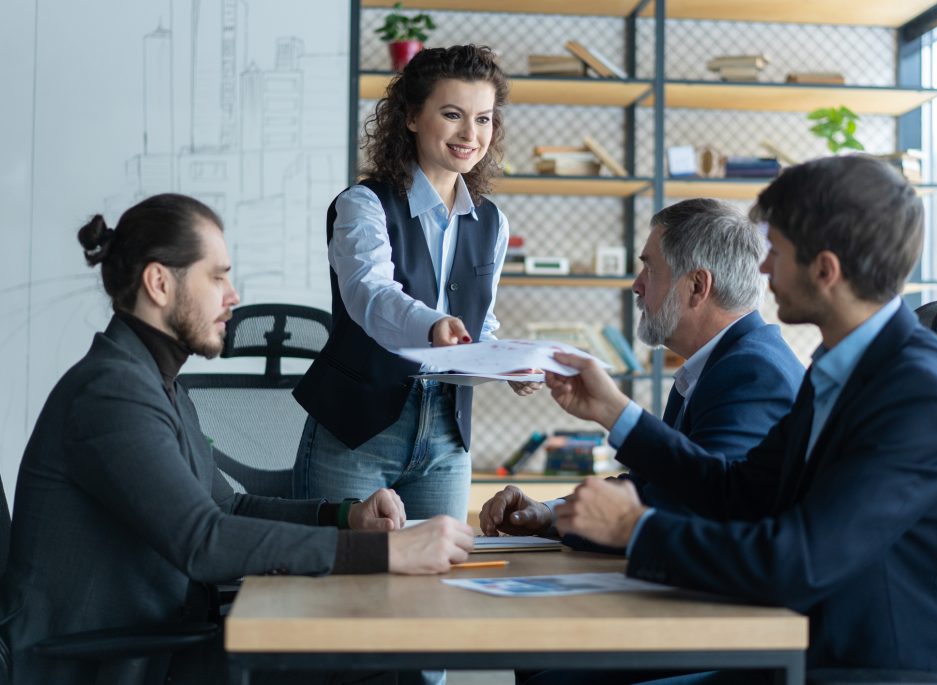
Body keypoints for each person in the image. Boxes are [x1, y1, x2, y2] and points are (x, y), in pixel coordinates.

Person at [539, 156, 937, 684]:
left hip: (880, 671)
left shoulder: (921, 391)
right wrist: (613, 412)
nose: (761, 270)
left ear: (825, 271)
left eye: (775, 252)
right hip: (811, 653)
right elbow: (739, 489)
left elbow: (800, 561)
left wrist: (635, 528)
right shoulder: (838, 367)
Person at [0, 194, 475, 685]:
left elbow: (227, 509)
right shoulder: (111, 393)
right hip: (102, 663)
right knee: (368, 664)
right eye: (217, 276)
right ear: (159, 282)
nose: (233, 295)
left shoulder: (155, 383)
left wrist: (345, 517)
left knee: (367, 657)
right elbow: (204, 541)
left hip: (158, 645)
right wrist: (390, 554)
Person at [292, 44, 538, 525]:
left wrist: (508, 366)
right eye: (452, 114)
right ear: (410, 117)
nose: (471, 134)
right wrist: (434, 326)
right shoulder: (363, 205)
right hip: (357, 432)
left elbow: (479, 324)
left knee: (436, 589)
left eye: (485, 119)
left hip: (447, 438)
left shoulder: (492, 222)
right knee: (341, 586)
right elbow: (370, 295)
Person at [479, 198, 804, 538]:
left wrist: (614, 411)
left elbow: (697, 509)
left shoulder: (751, 372)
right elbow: (655, 484)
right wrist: (547, 513)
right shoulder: (719, 361)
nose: (637, 284)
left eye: (650, 268)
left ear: (696, 287)